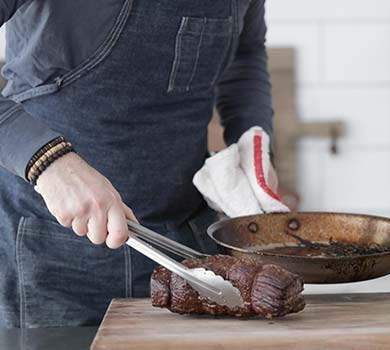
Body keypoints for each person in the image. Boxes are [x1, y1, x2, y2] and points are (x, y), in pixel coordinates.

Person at [0, 0, 287, 328]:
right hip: (52, 249)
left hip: (187, 243)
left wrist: (251, 133)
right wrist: (47, 161)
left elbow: (245, 53)